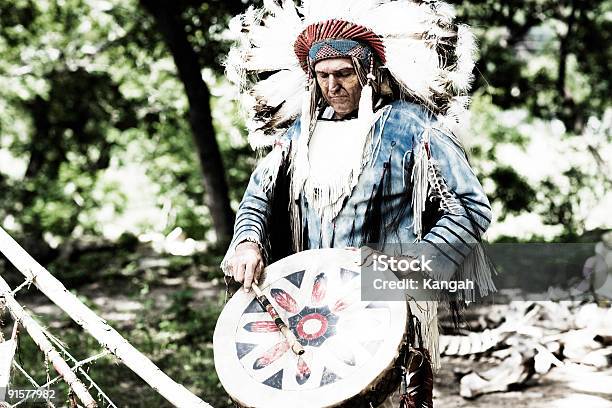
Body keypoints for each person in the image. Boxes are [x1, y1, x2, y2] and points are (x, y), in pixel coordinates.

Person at [221, 1, 495, 406]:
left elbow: (470, 208)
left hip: (388, 299)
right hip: (312, 303)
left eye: (344, 73)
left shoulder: (411, 126)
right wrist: (247, 241)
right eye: (323, 76)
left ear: (368, 73)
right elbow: (258, 197)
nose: (333, 86)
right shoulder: (299, 136)